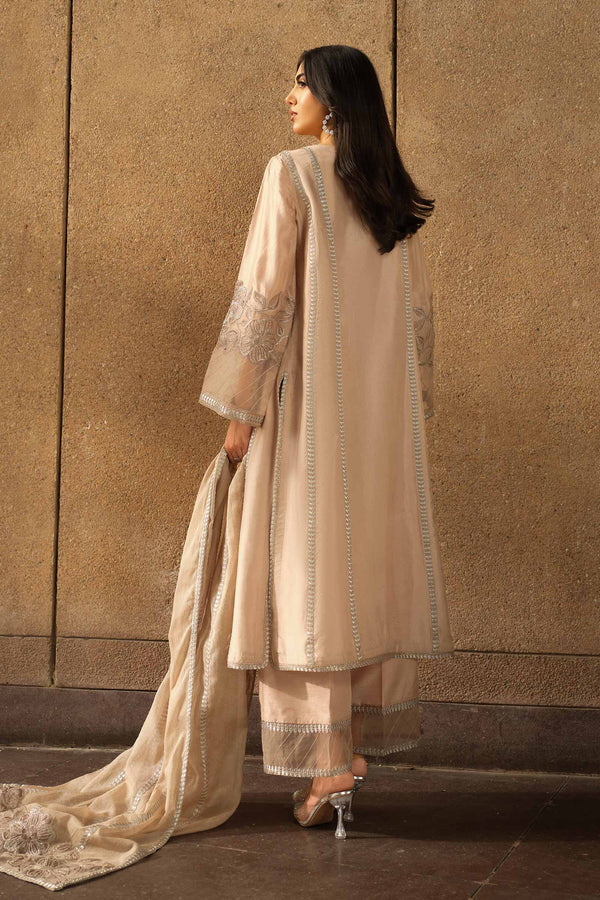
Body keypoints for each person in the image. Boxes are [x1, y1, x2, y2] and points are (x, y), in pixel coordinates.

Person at [0, 45, 455, 891]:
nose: (289, 97)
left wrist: (240, 416)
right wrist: (406, 420)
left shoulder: (293, 177)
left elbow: (264, 300)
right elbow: (415, 326)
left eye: (301, 84)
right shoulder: (392, 197)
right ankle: (345, 757)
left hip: (307, 424)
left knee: (299, 585)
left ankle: (328, 767)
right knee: (353, 579)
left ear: (333, 99)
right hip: (380, 433)